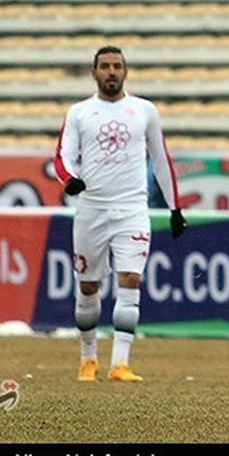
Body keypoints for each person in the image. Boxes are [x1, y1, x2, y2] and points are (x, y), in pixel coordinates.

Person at [53, 45, 186, 383]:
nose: (111, 72)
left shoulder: (144, 110)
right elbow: (62, 156)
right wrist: (69, 181)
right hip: (91, 209)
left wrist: (175, 208)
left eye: (117, 66)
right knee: (88, 287)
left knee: (131, 279)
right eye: (105, 66)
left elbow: (161, 160)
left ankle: (120, 364)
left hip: (132, 209)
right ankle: (88, 358)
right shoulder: (80, 112)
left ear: (125, 72)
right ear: (94, 72)